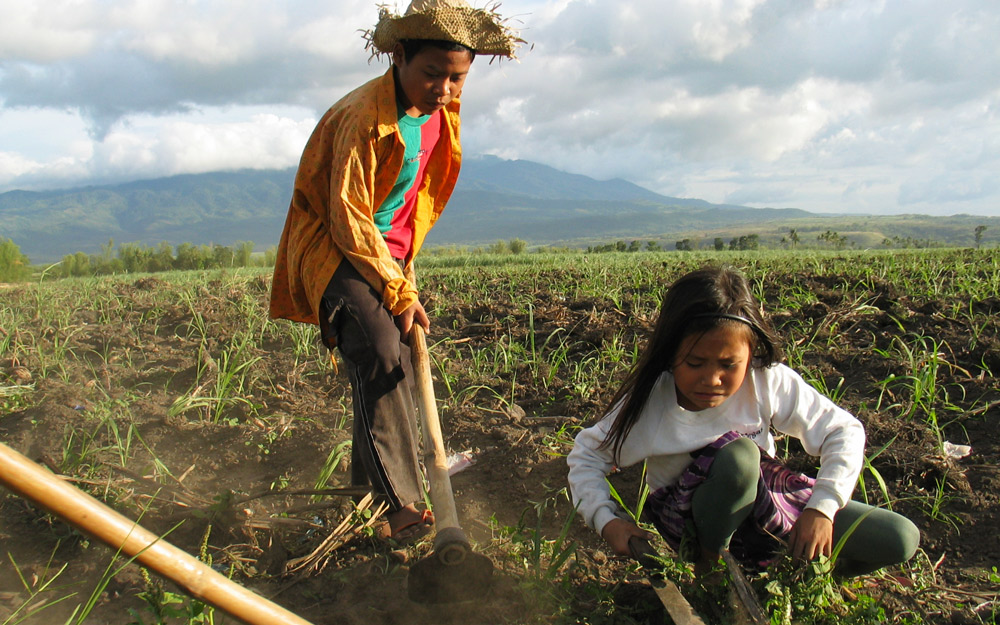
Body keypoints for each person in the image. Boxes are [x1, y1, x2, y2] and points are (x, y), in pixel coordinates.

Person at [269, 0, 522, 544]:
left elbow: (410, 202)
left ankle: (369, 498)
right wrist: (393, 289)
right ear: (399, 56)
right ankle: (401, 503)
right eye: (433, 74)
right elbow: (349, 216)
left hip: (390, 258)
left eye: (458, 78)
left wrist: (402, 276)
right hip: (339, 250)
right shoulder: (364, 117)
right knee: (381, 349)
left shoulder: (439, 112)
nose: (446, 90)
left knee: (399, 359)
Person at [567, 266, 919, 578]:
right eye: (694, 363)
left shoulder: (766, 381)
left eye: (728, 364)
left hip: (765, 507)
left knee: (899, 538)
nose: (712, 379)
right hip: (692, 520)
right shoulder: (652, 403)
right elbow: (587, 457)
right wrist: (607, 520)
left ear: (750, 355)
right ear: (671, 353)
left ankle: (798, 576)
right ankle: (712, 572)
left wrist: (822, 510)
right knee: (740, 458)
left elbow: (844, 430)